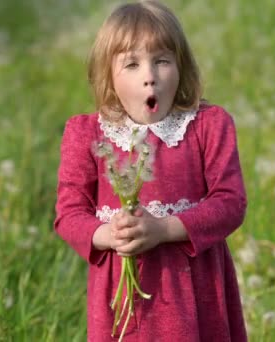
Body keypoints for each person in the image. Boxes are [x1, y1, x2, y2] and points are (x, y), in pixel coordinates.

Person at [53, 1, 248, 341]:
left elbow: (230, 203)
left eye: (162, 61)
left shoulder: (207, 125)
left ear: (181, 67)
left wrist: (163, 229)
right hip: (121, 297)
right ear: (108, 78)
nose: (150, 76)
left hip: (195, 290)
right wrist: (109, 235)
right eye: (131, 64)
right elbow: (69, 214)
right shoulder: (86, 134)